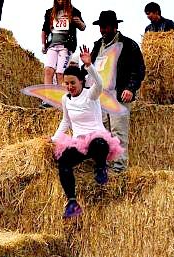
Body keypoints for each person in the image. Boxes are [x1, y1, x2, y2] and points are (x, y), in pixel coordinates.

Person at [50, 46, 124, 218]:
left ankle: (100, 168)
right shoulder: (65, 99)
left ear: (81, 82)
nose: (69, 86)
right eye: (66, 83)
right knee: (64, 163)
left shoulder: (91, 94)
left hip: (96, 138)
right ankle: (72, 202)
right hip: (78, 141)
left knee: (99, 143)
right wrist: (54, 139)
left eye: (72, 83)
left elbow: (99, 83)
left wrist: (89, 65)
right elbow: (65, 121)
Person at [91, 10, 145, 173]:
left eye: (106, 27)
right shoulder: (97, 45)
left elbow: (139, 69)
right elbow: (91, 69)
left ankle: (119, 171)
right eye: (101, 27)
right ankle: (105, 166)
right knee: (103, 133)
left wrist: (130, 88)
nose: (103, 30)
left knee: (118, 133)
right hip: (100, 96)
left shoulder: (129, 45)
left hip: (118, 94)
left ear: (115, 27)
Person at [40, 0, 86, 108]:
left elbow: (83, 27)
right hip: (52, 45)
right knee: (48, 70)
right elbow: (44, 30)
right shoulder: (50, 12)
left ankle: (62, 99)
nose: (60, 1)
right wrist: (43, 44)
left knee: (60, 73)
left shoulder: (74, 11)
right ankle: (48, 99)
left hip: (65, 46)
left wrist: (78, 22)